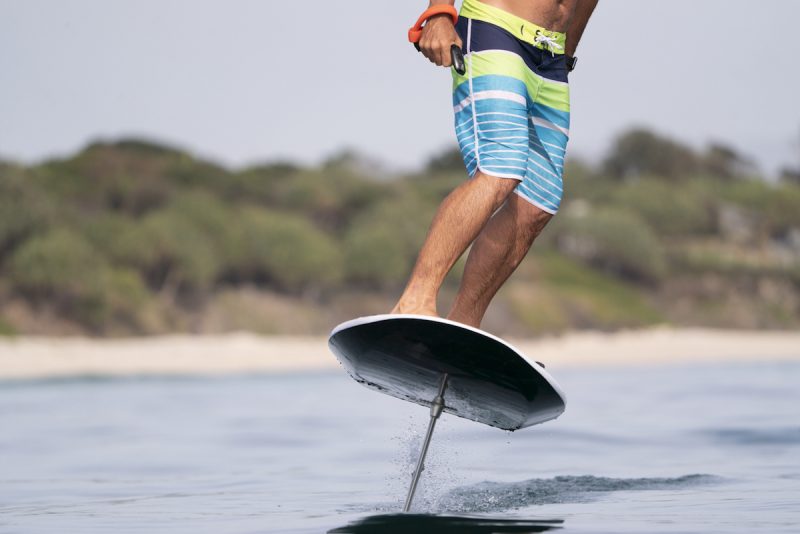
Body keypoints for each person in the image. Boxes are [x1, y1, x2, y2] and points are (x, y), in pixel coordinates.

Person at [392, 0, 598, 327]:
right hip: (496, 29)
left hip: (550, 54)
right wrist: (439, 13)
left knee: (537, 203)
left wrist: (566, 49)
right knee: (501, 167)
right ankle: (415, 299)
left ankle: (465, 325)